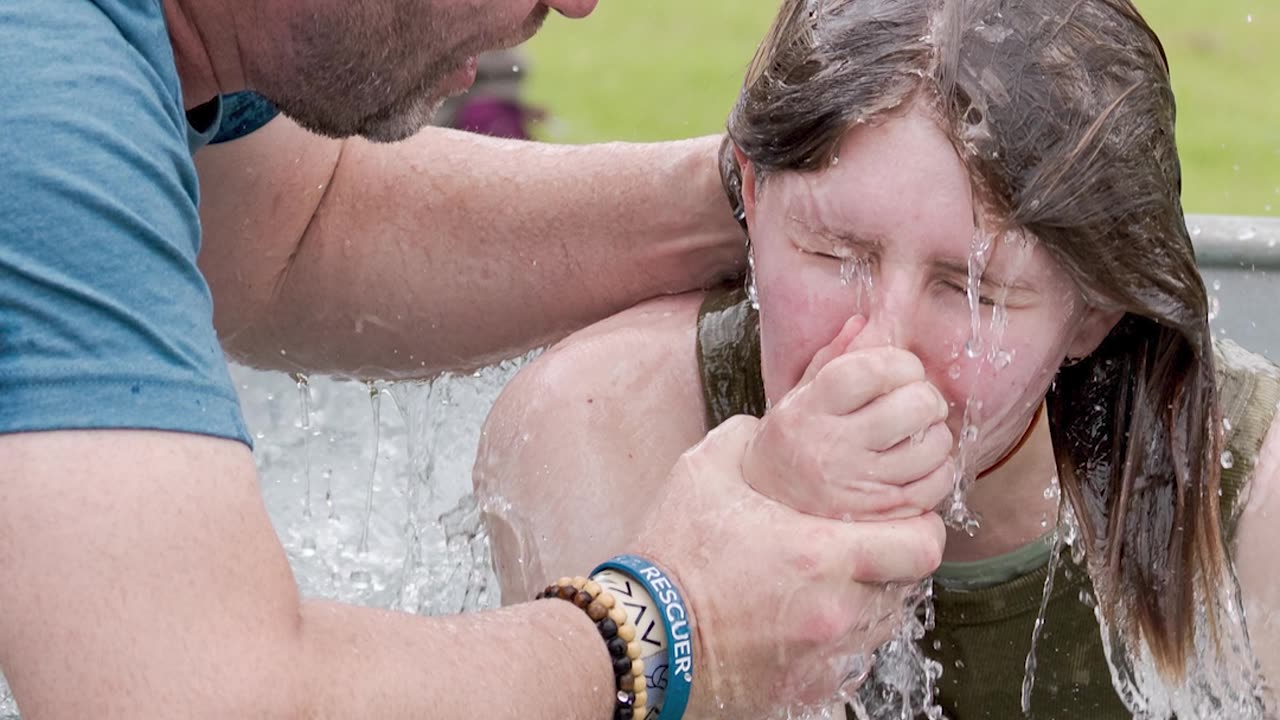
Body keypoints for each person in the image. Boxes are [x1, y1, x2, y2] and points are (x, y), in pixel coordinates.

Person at [0, 0, 952, 718]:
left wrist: (760, 204)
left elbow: (293, 235)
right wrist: (665, 623)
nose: (580, 2)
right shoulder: (36, 94)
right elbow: (197, 697)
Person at [475, 0, 1280, 716]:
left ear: (1095, 313)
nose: (880, 347)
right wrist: (737, 578)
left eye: (976, 294)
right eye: (833, 253)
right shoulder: (601, 427)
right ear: (751, 198)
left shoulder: (1252, 498)